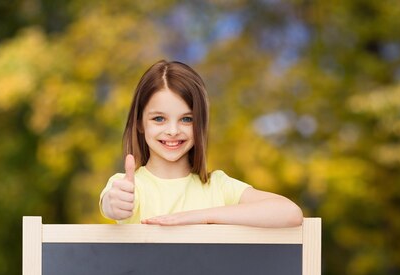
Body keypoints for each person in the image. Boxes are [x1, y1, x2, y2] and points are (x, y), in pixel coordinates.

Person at [99, 60, 303, 228]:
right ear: (140, 124)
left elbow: (290, 212)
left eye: (187, 119)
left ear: (200, 125)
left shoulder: (218, 187)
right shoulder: (128, 187)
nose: (172, 131)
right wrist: (114, 204)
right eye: (159, 119)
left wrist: (200, 216)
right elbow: (112, 203)